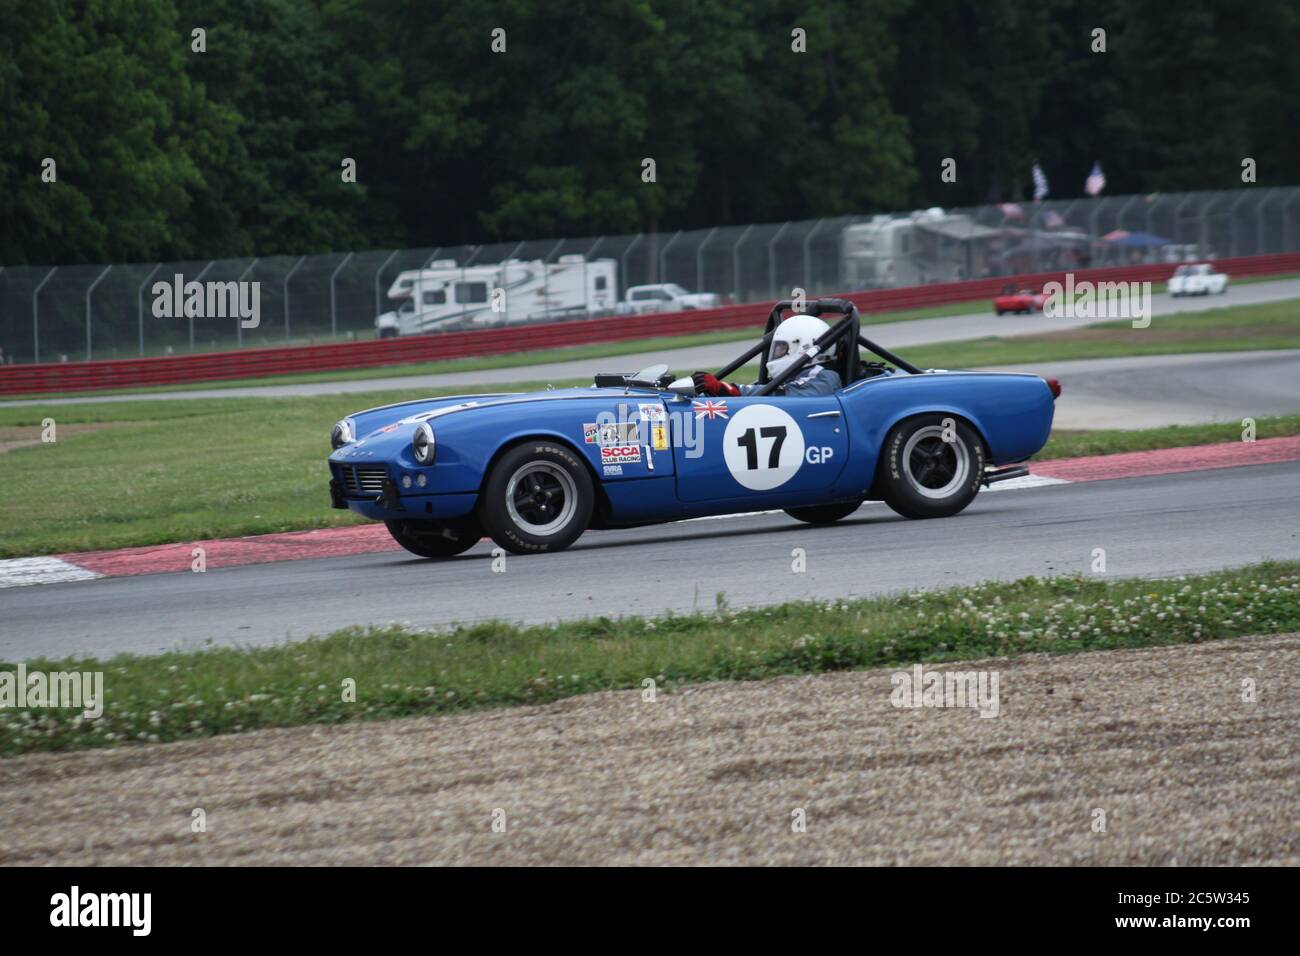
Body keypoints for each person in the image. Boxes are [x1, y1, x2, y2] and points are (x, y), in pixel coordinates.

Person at [692, 314, 842, 398]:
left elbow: (784, 396)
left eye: (781, 348)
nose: (776, 354)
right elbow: (765, 389)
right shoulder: (792, 377)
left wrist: (728, 389)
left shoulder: (825, 378)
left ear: (805, 347)